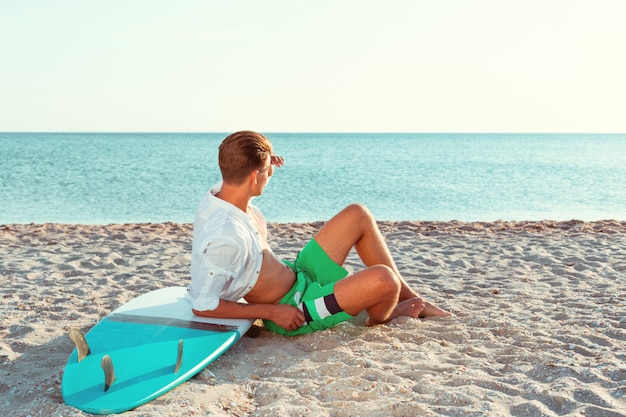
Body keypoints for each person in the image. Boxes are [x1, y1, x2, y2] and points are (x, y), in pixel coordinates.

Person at [188, 131, 450, 336]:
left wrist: (267, 160)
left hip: (300, 274)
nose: (271, 174)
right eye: (267, 172)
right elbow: (203, 304)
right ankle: (380, 317)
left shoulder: (223, 191)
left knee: (357, 213)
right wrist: (272, 313)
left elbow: (243, 167)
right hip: (297, 309)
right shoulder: (225, 236)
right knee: (384, 279)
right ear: (255, 177)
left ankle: (412, 298)